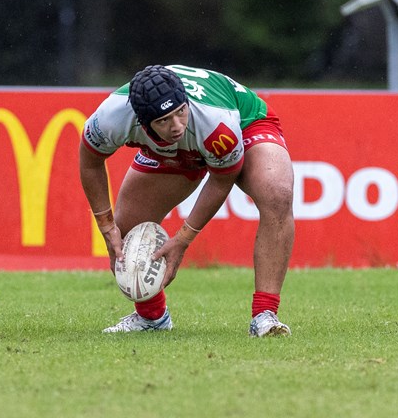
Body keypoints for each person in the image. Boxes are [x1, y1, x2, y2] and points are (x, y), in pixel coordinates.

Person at [79, 64, 294, 337]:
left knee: (277, 194)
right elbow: (90, 161)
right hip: (180, 146)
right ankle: (151, 318)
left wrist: (183, 238)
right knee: (125, 230)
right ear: (142, 123)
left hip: (245, 120)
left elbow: (222, 179)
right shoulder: (112, 116)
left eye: (180, 111)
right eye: (164, 120)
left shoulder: (216, 121)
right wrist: (106, 225)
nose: (177, 125)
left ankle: (264, 315)